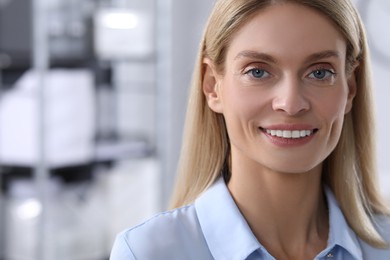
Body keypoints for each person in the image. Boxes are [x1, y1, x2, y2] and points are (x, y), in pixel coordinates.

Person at [110, 0, 390, 259]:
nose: (291, 104)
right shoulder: (147, 253)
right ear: (212, 87)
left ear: (350, 89)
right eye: (258, 71)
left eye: (320, 72)